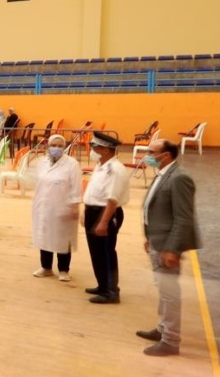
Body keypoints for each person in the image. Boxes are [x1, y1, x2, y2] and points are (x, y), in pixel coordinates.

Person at [137, 139, 200, 357]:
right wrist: (149, 237)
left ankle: (171, 340)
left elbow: (183, 218)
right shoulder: (163, 174)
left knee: (170, 293)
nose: (147, 155)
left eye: (151, 152)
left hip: (167, 244)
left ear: (166, 155)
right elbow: (154, 210)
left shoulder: (179, 178)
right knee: (163, 289)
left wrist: (173, 249)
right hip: (157, 240)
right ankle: (163, 328)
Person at [82, 132, 129, 304]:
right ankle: (102, 285)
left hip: (106, 213)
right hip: (93, 211)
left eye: (95, 147)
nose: (91, 150)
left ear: (106, 150)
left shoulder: (115, 170)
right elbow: (94, 191)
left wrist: (103, 222)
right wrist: (85, 212)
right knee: (96, 252)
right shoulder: (101, 166)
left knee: (106, 253)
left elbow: (112, 199)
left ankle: (111, 291)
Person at [31, 134, 80, 281]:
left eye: (60, 146)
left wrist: (75, 206)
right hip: (43, 206)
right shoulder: (41, 162)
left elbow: (76, 187)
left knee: (62, 239)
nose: (56, 148)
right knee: (45, 235)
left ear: (64, 147)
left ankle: (64, 270)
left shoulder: (72, 164)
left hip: (63, 207)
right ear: (48, 146)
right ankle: (46, 267)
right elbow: (34, 181)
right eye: (53, 145)